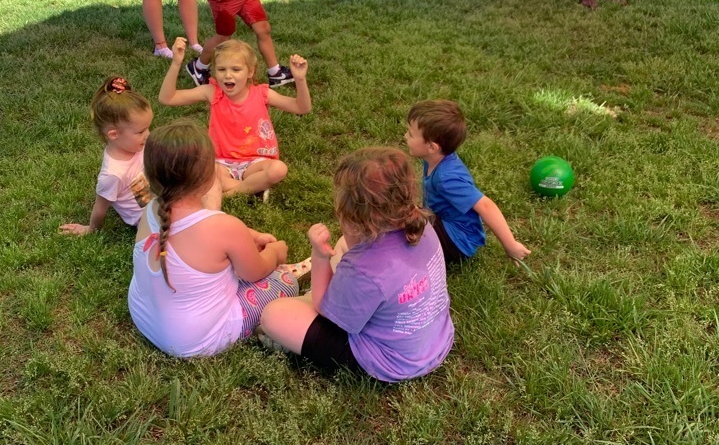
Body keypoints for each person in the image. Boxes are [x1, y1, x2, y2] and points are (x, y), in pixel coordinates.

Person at [259, 147, 455, 382]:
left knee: (274, 314)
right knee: (343, 245)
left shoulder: (363, 269)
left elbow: (323, 309)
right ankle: (321, 296)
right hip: (432, 340)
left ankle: (306, 303)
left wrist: (319, 257)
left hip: (393, 360)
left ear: (353, 221)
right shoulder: (422, 226)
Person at [128, 121, 299, 357]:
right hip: (193, 342)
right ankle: (259, 328)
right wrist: (275, 253)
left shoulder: (151, 211)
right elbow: (256, 272)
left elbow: (205, 230)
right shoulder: (224, 228)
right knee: (285, 282)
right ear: (210, 177)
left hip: (144, 317)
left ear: (150, 175)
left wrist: (250, 236)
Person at [158, 37, 311, 198]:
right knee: (197, 170)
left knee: (278, 169)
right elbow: (167, 98)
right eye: (221, 69)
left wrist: (300, 79)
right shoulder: (212, 92)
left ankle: (227, 193)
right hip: (221, 163)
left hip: (256, 162)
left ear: (250, 72)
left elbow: (302, 108)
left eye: (236, 69)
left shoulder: (262, 94)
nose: (228, 75)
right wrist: (176, 63)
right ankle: (253, 189)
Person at [405, 100, 530, 264]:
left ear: (432, 147)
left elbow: (486, 206)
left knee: (403, 233)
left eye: (410, 134)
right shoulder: (433, 159)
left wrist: (511, 245)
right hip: (443, 222)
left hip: (457, 242)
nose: (405, 136)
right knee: (402, 216)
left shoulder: (447, 178)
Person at [59, 76, 154, 235]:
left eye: (148, 128)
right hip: (150, 219)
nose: (148, 134)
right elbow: (100, 207)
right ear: (114, 135)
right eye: (141, 131)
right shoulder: (113, 175)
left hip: (162, 197)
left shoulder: (136, 146)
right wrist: (90, 229)